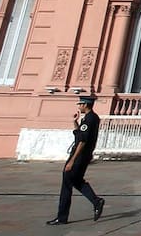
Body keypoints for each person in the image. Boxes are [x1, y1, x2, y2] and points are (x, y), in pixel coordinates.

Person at [47, 95, 105, 226]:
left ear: (85, 105)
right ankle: (96, 201)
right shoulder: (92, 118)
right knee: (77, 181)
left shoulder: (89, 119)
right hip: (84, 156)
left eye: (80, 104)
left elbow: (82, 141)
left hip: (79, 156)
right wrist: (75, 123)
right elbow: (80, 135)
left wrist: (72, 160)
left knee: (67, 185)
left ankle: (62, 217)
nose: (79, 106)